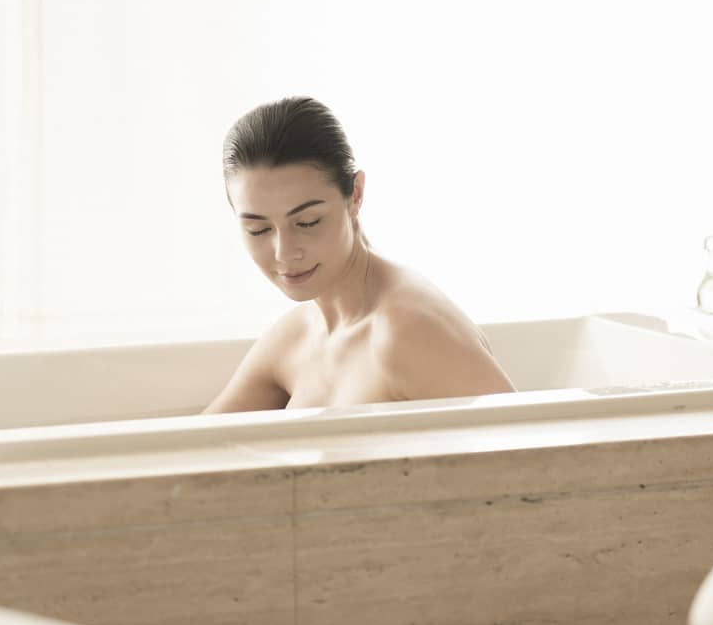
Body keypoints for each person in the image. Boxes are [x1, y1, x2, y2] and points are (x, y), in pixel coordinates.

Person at [203, 97, 516, 413]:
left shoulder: (408, 331)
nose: (284, 252)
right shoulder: (295, 336)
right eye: (258, 229)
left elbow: (531, 450)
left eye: (307, 222)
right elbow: (188, 445)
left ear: (355, 194)